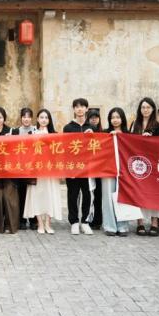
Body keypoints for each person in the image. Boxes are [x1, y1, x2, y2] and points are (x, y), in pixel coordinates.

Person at [24, 109, 63, 235]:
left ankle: (48, 223)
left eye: (46, 117)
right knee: (37, 196)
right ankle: (40, 223)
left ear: (49, 120)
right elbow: (27, 152)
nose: (44, 120)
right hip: (37, 170)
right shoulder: (31, 133)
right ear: (37, 119)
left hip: (51, 171)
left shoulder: (54, 134)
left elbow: (59, 153)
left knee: (50, 195)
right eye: (41, 117)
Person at [130, 98, 159, 237]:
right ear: (140, 109)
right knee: (138, 192)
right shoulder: (135, 124)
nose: (145, 110)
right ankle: (140, 223)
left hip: (153, 163)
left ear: (153, 109)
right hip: (137, 164)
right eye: (143, 107)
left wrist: (150, 139)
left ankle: (155, 223)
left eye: (148, 107)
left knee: (154, 193)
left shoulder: (157, 125)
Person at [63, 98, 94, 235]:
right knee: (73, 195)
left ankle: (86, 222)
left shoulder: (92, 127)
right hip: (73, 167)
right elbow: (65, 148)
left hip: (88, 168)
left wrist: (92, 136)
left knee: (87, 195)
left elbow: (98, 148)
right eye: (77, 107)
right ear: (74, 109)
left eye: (82, 106)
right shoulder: (68, 128)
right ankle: (74, 222)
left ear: (87, 108)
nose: (80, 109)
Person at [0, 107, 19, 234]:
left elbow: (18, 149)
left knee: (9, 198)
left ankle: (9, 224)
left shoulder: (11, 131)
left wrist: (11, 140)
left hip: (9, 170)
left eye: (0, 117)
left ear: (4, 119)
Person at [102, 108, 131, 236]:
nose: (115, 120)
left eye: (118, 117)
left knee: (123, 196)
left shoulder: (128, 134)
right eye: (112, 117)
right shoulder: (105, 134)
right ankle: (109, 226)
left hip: (124, 169)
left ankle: (123, 226)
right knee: (107, 197)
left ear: (122, 119)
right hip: (107, 169)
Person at [11, 107, 38, 231]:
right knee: (21, 195)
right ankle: (21, 220)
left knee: (32, 195)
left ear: (31, 118)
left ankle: (33, 220)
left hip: (33, 168)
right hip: (19, 169)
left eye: (28, 117)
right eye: (24, 117)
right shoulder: (15, 131)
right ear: (21, 118)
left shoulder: (36, 131)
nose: (26, 119)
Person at [86, 109, 103, 231]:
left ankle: (98, 220)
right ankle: (89, 218)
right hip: (89, 168)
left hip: (101, 168)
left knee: (98, 195)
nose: (94, 119)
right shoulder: (86, 131)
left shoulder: (104, 132)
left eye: (96, 117)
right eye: (91, 117)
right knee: (89, 195)